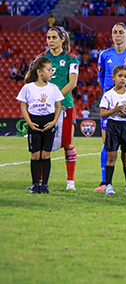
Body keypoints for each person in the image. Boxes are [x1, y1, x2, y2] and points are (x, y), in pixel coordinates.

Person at [96, 23, 126, 192]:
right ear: (112, 36)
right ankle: (105, 182)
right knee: (107, 146)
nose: (118, 35)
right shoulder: (104, 55)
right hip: (111, 104)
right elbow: (101, 77)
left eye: (121, 32)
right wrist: (110, 93)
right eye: (115, 32)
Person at [40, 27, 79, 190]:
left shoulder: (71, 58)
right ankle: (40, 180)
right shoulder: (41, 58)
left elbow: (72, 83)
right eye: (48, 37)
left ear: (62, 39)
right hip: (43, 106)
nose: (50, 40)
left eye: (54, 37)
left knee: (67, 143)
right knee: (41, 144)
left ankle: (70, 181)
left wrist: (55, 97)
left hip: (65, 105)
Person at [17, 57, 63, 194]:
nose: (51, 73)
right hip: (34, 122)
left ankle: (45, 185)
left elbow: (58, 106)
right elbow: (23, 106)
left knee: (46, 154)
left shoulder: (53, 88)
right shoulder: (28, 88)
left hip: (48, 122)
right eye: (48, 70)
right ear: (39, 72)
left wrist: (54, 121)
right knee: (35, 155)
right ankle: (35, 184)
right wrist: (29, 122)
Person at [99, 65, 126, 196]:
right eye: (120, 76)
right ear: (113, 78)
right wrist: (114, 110)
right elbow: (102, 113)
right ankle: (108, 185)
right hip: (113, 126)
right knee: (111, 156)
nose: (123, 79)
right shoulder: (109, 95)